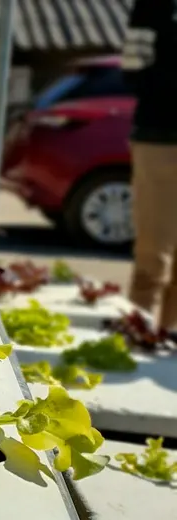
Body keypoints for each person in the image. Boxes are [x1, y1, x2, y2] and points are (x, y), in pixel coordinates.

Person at [122, 0, 177, 327]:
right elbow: (132, 71)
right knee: (151, 257)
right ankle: (138, 338)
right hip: (158, 140)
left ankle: (170, 345)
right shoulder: (152, 7)